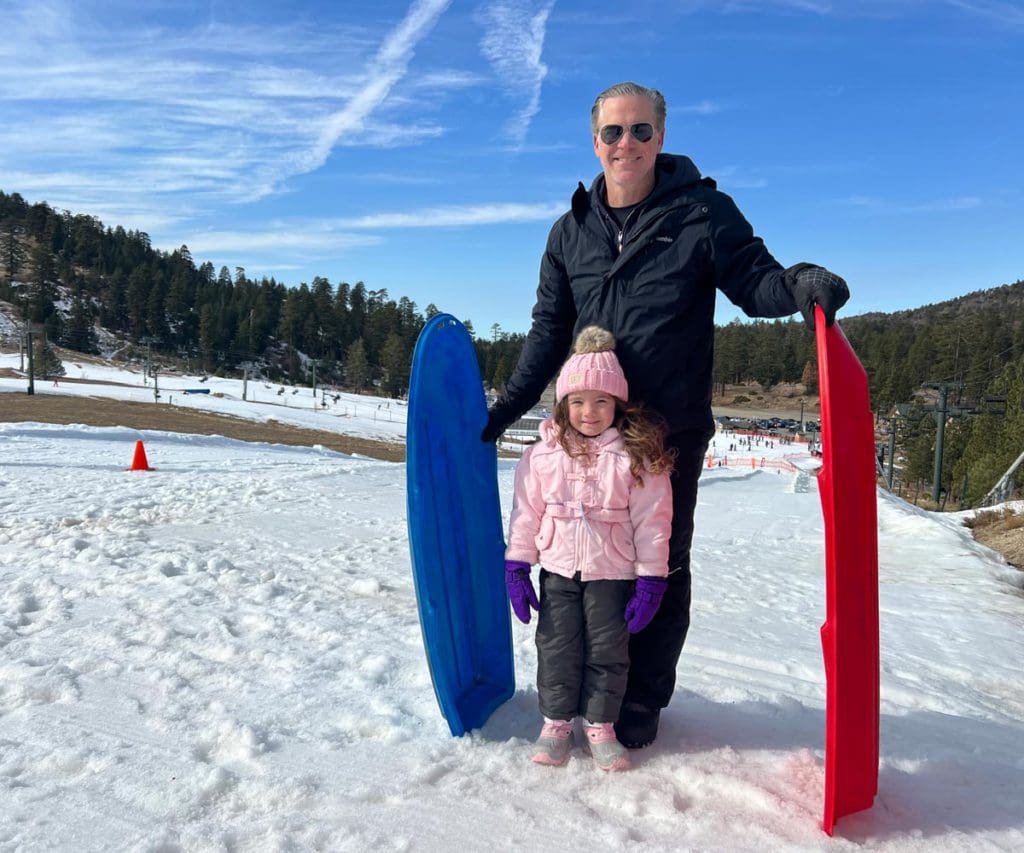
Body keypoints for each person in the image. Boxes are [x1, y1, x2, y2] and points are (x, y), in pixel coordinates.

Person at [483, 81, 850, 749]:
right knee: (576, 561)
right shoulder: (569, 232)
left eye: (641, 131)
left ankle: (637, 702)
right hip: (588, 431)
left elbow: (754, 279)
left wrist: (799, 283)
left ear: (661, 138)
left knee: (657, 564)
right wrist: (507, 404)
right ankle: (574, 697)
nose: (627, 144)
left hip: (666, 432)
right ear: (595, 142)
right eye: (613, 132)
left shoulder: (703, 214)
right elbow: (547, 330)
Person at [505, 325, 675, 771]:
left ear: (618, 404)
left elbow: (653, 522)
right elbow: (526, 512)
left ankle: (601, 726)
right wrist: (518, 566)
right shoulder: (541, 456)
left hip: (612, 573)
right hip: (558, 568)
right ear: (563, 405)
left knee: (608, 652)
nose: (589, 411)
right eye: (578, 401)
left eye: (602, 401)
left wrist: (652, 579)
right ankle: (557, 723)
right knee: (557, 646)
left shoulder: (637, 456)